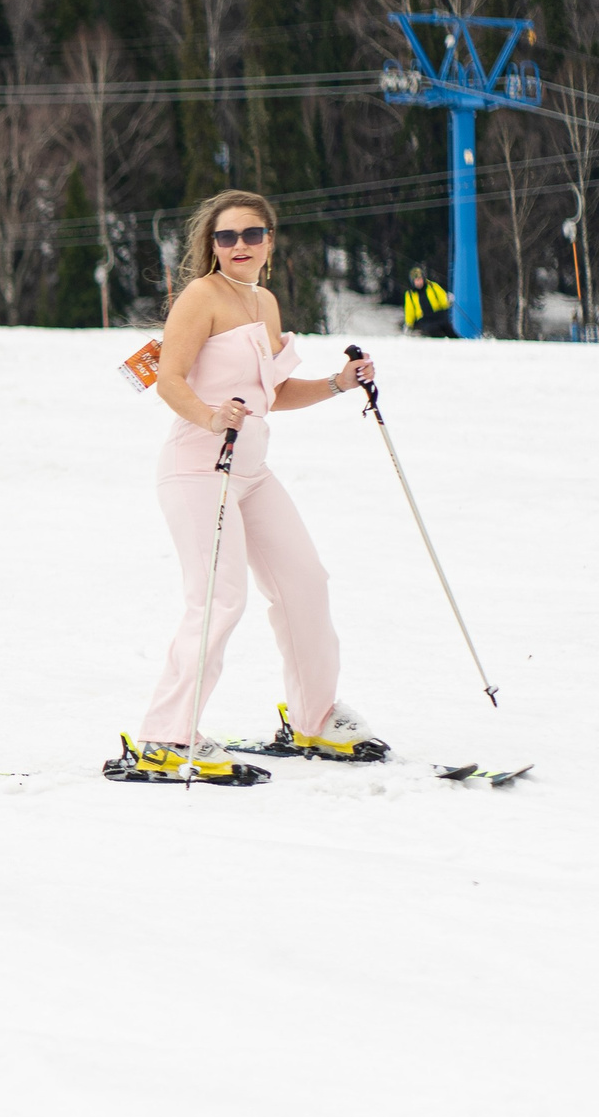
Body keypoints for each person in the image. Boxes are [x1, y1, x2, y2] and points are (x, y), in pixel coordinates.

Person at [121, 191, 387, 781]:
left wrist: (339, 383)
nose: (239, 246)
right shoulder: (201, 297)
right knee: (219, 599)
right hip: (199, 466)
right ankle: (166, 736)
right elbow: (168, 380)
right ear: (211, 245)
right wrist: (211, 415)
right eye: (226, 237)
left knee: (304, 582)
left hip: (251, 469)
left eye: (251, 234)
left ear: (270, 240)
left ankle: (315, 717)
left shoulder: (264, 302)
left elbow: (273, 394)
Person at [403, 265, 456, 337]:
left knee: (450, 332)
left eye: (420, 279)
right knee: (434, 332)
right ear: (413, 282)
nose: (419, 282)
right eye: (416, 280)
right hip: (425, 320)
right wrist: (409, 324)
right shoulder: (410, 295)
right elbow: (409, 310)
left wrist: (448, 300)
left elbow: (442, 298)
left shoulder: (432, 286)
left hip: (438, 315)